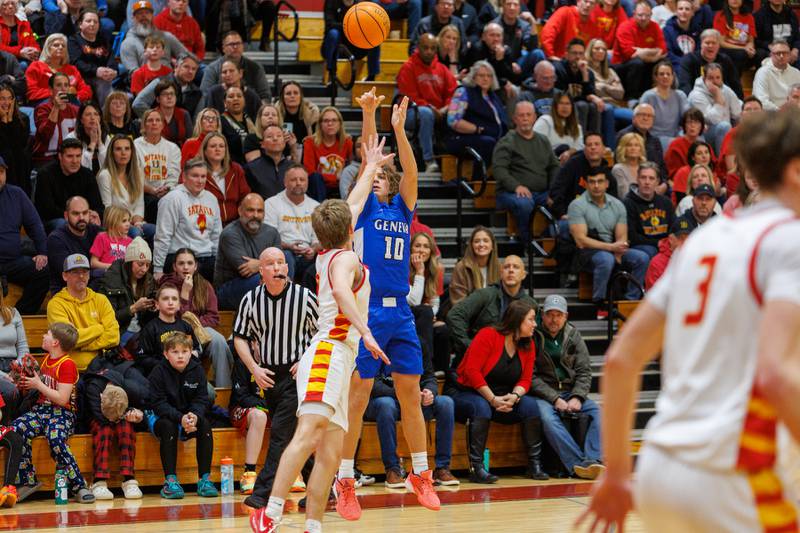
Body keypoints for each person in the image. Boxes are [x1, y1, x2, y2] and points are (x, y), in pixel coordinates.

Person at [578, 107, 800, 533]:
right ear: (793, 170)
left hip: (662, 472)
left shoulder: (705, 240)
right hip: (732, 474)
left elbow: (621, 360)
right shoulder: (787, 240)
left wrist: (618, 474)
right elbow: (774, 373)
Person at [247, 196, 387, 533]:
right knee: (308, 435)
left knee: (331, 452)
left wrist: (369, 167)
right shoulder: (346, 258)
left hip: (341, 358)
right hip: (329, 353)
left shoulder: (332, 248)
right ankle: (272, 512)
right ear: (351, 229)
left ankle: (314, 524)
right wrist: (366, 331)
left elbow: (349, 205)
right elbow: (341, 292)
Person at [334, 92, 441, 522]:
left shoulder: (402, 207)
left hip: (401, 314)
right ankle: (345, 481)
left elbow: (410, 170)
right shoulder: (359, 212)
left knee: (410, 397)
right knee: (357, 399)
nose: (376, 177)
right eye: (374, 175)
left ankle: (421, 474)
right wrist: (368, 114)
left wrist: (399, 129)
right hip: (369, 309)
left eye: (383, 175)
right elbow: (367, 158)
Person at [233, 246, 319, 507]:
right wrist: (254, 369)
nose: (278, 268)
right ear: (261, 271)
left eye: (282, 263)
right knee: (294, 438)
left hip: (297, 375)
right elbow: (239, 337)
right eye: (271, 263)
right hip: (267, 376)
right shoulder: (251, 299)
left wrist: (305, 360)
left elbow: (324, 332)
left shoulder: (304, 297)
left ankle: (262, 494)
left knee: (281, 436)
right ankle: (323, 489)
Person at [451, 299, 547, 482]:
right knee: (481, 407)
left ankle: (534, 464)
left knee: (531, 406)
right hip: (468, 392)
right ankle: (476, 468)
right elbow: (472, 371)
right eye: (531, 319)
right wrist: (493, 399)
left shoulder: (529, 343)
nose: (535, 324)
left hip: (504, 397)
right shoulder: (488, 335)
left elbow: (526, 379)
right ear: (518, 320)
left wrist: (515, 396)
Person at [11, 323, 96, 503]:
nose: (43, 336)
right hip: (42, 410)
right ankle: (27, 480)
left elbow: (62, 399)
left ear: (55, 342)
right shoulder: (47, 358)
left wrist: (38, 384)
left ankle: (79, 485)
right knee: (16, 428)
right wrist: (25, 382)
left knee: (55, 438)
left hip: (62, 413)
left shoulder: (67, 365)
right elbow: (42, 388)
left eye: (46, 334)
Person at [530, 294, 603, 479]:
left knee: (600, 413)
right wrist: (555, 398)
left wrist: (577, 396)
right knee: (547, 418)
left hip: (571, 391)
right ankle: (577, 464)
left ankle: (593, 460)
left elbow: (584, 371)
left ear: (566, 316)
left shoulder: (573, 335)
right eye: (550, 314)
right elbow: (530, 376)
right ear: (543, 315)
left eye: (558, 315)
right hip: (545, 394)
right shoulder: (533, 336)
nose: (554, 319)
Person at [148, 331, 218, 499]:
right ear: (166, 354)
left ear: (190, 352)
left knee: (205, 425)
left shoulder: (198, 370)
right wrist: (180, 418)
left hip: (187, 415)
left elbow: (202, 398)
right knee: (168, 427)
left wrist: (194, 415)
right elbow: (158, 404)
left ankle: (204, 479)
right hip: (162, 417)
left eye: (184, 352)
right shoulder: (158, 372)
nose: (180, 356)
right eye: (175, 352)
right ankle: (170, 481)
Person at [568, 172, 649, 309]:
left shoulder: (617, 204)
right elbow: (580, 240)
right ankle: (599, 302)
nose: (596, 185)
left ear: (607, 184)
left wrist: (619, 250)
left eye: (600, 181)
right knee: (606, 259)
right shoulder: (577, 205)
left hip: (612, 248)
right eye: (592, 182)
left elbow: (622, 236)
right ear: (586, 184)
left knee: (642, 257)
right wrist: (612, 248)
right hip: (587, 252)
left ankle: (630, 301)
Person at [158, 248, 234, 387]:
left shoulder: (204, 285)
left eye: (189, 263)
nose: (186, 267)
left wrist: (196, 325)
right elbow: (174, 318)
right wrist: (185, 292)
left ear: (195, 266)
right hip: (174, 331)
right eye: (181, 263)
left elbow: (213, 316)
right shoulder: (168, 285)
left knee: (219, 341)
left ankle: (224, 390)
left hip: (200, 331)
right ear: (175, 266)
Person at [493, 100, 559, 247]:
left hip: (541, 192)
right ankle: (526, 242)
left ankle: (550, 239)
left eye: (528, 115)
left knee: (561, 200)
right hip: (510, 193)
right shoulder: (507, 142)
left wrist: (553, 191)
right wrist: (516, 187)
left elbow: (554, 166)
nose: (525, 118)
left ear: (534, 117)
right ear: (514, 119)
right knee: (524, 203)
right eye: (521, 115)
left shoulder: (543, 140)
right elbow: (499, 170)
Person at [81, 358, 147, 500]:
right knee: (104, 429)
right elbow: (96, 415)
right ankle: (99, 481)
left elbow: (144, 413)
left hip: (120, 414)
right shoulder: (93, 388)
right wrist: (115, 418)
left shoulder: (131, 388)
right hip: (96, 416)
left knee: (126, 427)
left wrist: (137, 416)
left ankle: (129, 479)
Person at [447, 254, 537, 359]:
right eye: (506, 267)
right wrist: (470, 345)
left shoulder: (530, 304)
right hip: (482, 357)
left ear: (523, 274)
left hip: (514, 360)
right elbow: (454, 315)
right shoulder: (485, 295)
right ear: (501, 272)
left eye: (516, 267)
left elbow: (535, 338)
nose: (511, 270)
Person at [47, 253, 120, 370]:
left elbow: (114, 336)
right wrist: (99, 328)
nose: (81, 276)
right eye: (75, 272)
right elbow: (67, 340)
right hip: (72, 370)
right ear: (65, 276)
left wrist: (85, 346)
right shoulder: (56, 304)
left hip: (103, 365)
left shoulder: (101, 300)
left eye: (85, 271)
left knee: (138, 384)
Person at [397, 32, 458, 173]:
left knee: (458, 111)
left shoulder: (442, 68)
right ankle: (429, 160)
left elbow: (453, 92)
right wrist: (431, 108)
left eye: (432, 48)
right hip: (410, 112)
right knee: (426, 113)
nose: (429, 51)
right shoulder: (408, 67)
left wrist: (446, 108)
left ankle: (453, 163)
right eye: (425, 47)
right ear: (418, 47)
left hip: (438, 111)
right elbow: (409, 96)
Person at [153, 159, 222, 283]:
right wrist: (158, 269)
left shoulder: (211, 199)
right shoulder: (172, 199)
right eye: (195, 176)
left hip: (206, 258)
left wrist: (218, 264)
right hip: (180, 259)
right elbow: (163, 236)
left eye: (203, 176)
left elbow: (216, 235)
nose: (200, 181)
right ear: (184, 177)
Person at [0, 157, 48, 315]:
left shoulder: (16, 194)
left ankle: (19, 316)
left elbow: (35, 225)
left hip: (12, 261)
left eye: (1, 172)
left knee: (43, 271)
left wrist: (42, 252)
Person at [263, 164, 321, 288]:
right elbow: (269, 238)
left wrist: (313, 249)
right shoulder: (271, 204)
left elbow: (319, 239)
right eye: (293, 180)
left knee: (322, 259)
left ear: (307, 182)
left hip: (308, 255)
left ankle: (307, 300)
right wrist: (289, 246)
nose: (298, 183)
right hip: (283, 252)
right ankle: (286, 294)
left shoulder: (315, 206)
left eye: (302, 179)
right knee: (286, 256)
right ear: (285, 182)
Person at [445, 60, 508, 164]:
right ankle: (478, 179)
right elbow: (453, 121)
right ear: (473, 77)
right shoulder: (464, 92)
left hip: (493, 139)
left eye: (489, 76)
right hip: (464, 138)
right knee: (489, 143)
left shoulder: (493, 97)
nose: (485, 78)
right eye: (481, 75)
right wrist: (477, 129)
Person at [98, 237, 157, 347]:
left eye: (147, 265)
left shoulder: (148, 280)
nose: (144, 269)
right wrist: (133, 308)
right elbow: (107, 319)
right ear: (129, 263)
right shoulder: (112, 280)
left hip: (142, 330)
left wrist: (153, 309)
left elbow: (147, 319)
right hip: (120, 332)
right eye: (140, 264)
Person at [35, 138, 103, 233]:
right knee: (63, 224)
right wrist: (75, 216)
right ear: (60, 156)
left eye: (78, 156)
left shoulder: (88, 174)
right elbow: (46, 209)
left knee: (99, 223)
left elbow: (98, 206)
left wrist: (93, 214)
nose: (75, 161)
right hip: (55, 220)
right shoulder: (45, 174)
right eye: (70, 156)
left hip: (83, 218)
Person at [135, 283, 201, 377]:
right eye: (165, 298)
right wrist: (166, 364)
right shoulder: (150, 328)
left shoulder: (186, 327)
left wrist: (190, 356)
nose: (170, 302)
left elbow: (197, 350)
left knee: (210, 391)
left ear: (179, 305)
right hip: (161, 376)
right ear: (157, 304)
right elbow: (142, 358)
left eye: (174, 299)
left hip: (186, 375)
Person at [549, 132, 615, 220]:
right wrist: (562, 214)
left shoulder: (608, 173)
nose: (593, 147)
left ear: (604, 149)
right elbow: (556, 192)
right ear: (584, 149)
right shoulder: (572, 165)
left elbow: (613, 201)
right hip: (570, 216)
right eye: (589, 145)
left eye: (597, 144)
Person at [97, 135, 152, 239]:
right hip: (115, 224)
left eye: (127, 148)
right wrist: (127, 222)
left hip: (134, 222)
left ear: (132, 152)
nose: (123, 153)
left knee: (156, 231)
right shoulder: (105, 175)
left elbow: (140, 204)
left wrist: (137, 222)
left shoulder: (138, 173)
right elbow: (107, 209)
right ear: (111, 153)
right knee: (136, 233)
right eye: (118, 149)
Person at [611, 1, 667, 99]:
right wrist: (653, 53)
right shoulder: (625, 27)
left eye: (647, 15)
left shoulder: (655, 26)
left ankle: (660, 94)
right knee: (637, 63)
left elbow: (663, 50)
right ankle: (632, 98)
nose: (643, 18)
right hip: (622, 66)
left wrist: (642, 51)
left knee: (663, 63)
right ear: (634, 14)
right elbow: (629, 53)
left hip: (643, 63)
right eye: (640, 15)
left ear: (651, 15)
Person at [46, 196, 102, 293]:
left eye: (85, 213)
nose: (81, 218)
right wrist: (103, 271)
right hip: (66, 294)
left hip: (94, 288)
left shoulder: (96, 231)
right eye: (76, 213)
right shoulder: (56, 239)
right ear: (66, 216)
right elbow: (72, 275)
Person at [555, 38, 607, 141]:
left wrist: (584, 75)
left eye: (581, 54)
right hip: (562, 104)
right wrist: (588, 96)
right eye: (574, 53)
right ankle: (579, 141)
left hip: (579, 103)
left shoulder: (587, 72)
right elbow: (562, 95)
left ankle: (595, 141)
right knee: (582, 105)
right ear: (567, 54)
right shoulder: (559, 69)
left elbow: (590, 93)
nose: (578, 57)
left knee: (594, 106)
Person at [135, 109, 181, 223]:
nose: (154, 123)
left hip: (167, 192)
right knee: (155, 203)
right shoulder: (135, 145)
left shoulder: (173, 148)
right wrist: (152, 191)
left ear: (162, 125)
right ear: (144, 125)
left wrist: (167, 188)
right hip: (142, 193)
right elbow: (134, 176)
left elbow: (173, 175)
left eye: (157, 120)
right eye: (150, 120)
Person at [585, 38, 632, 148]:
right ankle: (610, 150)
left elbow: (620, 93)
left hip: (616, 105)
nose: (601, 51)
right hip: (599, 105)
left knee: (636, 117)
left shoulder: (610, 71)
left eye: (603, 49)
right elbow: (594, 90)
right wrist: (611, 87)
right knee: (608, 110)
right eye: (597, 48)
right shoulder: (585, 70)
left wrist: (604, 86)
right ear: (590, 50)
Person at [120, 0, 189, 74]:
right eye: (140, 13)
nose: (144, 16)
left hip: (172, 80)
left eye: (147, 13)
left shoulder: (166, 36)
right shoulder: (128, 43)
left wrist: (180, 65)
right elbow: (134, 74)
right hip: (146, 82)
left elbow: (186, 55)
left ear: (153, 16)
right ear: (134, 18)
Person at [688, 62, 742, 154]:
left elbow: (737, 113)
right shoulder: (696, 95)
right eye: (711, 78)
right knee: (724, 126)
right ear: (704, 79)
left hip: (726, 132)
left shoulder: (726, 90)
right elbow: (713, 120)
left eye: (718, 77)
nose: (715, 81)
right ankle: (721, 162)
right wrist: (718, 99)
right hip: (704, 135)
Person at [623, 162, 675, 259]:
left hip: (664, 244)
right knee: (653, 251)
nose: (647, 182)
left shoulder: (666, 202)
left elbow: (674, 228)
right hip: (640, 246)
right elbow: (632, 236)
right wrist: (658, 243)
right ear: (637, 179)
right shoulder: (628, 203)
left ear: (657, 182)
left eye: (651, 178)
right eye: (643, 177)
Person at [200, 30, 270, 100]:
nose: (235, 47)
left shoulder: (256, 67)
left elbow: (265, 96)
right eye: (231, 44)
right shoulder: (212, 69)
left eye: (238, 43)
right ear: (223, 48)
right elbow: (205, 95)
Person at [198, 132, 250, 224]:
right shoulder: (197, 170)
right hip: (206, 223)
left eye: (221, 146)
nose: (218, 149)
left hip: (235, 224)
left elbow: (245, 197)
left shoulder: (235, 169)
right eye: (213, 146)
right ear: (205, 150)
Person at [67, 9, 116, 106]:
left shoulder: (103, 39)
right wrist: (96, 71)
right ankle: (106, 114)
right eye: (88, 21)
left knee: (122, 70)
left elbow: (111, 57)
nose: (92, 24)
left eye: (95, 22)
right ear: (80, 24)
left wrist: (113, 70)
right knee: (103, 82)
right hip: (84, 76)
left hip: (103, 75)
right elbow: (76, 63)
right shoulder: (74, 40)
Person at [25, 33, 91, 104]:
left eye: (63, 46)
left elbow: (86, 90)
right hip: (46, 103)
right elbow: (31, 92)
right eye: (56, 45)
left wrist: (75, 96)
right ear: (48, 48)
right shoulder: (36, 66)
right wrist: (57, 93)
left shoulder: (72, 69)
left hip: (72, 103)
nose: (60, 47)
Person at [302, 106, 352, 199]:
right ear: (320, 124)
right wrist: (335, 178)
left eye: (334, 120)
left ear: (340, 124)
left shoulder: (347, 142)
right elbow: (310, 172)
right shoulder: (310, 142)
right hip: (318, 186)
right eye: (326, 121)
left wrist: (341, 178)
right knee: (316, 177)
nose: (330, 123)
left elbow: (353, 166)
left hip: (341, 185)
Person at [133, 53, 202, 119]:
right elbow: (138, 104)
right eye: (186, 67)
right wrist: (156, 120)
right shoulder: (159, 82)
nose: (190, 71)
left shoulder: (197, 92)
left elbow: (196, 118)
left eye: (194, 69)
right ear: (176, 67)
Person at [678, 28, 744, 98]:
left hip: (721, 98)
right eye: (707, 43)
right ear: (701, 44)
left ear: (719, 45)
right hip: (697, 99)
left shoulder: (725, 60)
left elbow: (735, 85)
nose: (710, 46)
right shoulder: (689, 59)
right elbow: (685, 85)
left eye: (714, 43)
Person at [31, 72, 79, 166]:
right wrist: (56, 107)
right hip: (46, 160)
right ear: (50, 90)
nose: (63, 88)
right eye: (58, 85)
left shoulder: (76, 110)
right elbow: (45, 135)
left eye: (66, 85)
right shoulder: (42, 109)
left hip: (69, 160)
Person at [640, 60, 690, 149]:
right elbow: (641, 121)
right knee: (674, 143)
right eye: (662, 74)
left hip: (676, 135)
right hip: (654, 137)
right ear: (656, 77)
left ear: (673, 76)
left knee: (698, 139)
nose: (665, 76)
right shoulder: (648, 96)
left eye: (668, 74)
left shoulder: (680, 95)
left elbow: (688, 117)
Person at [615, 103, 668, 184]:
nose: (645, 118)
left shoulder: (655, 140)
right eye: (642, 115)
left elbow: (662, 167)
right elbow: (619, 160)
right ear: (633, 118)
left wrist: (664, 184)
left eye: (649, 116)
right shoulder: (624, 136)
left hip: (656, 183)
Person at [449, 226, 500, 305]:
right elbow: (459, 303)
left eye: (486, 241)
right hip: (469, 315)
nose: (481, 244)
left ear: (492, 246)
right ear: (471, 246)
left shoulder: (500, 268)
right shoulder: (461, 268)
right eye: (477, 241)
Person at [245, 124, 293, 201]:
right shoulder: (251, 168)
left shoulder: (293, 167)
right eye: (269, 136)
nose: (275, 139)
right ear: (262, 144)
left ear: (284, 142)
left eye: (279, 136)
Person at [534, 92, 584, 164]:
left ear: (572, 107)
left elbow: (579, 147)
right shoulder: (545, 121)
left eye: (567, 104)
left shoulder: (577, 127)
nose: (565, 107)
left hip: (568, 163)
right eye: (561, 103)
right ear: (555, 106)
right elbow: (536, 147)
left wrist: (568, 153)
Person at [752, 38, 800, 110]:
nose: (781, 56)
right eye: (778, 53)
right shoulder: (762, 72)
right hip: (771, 115)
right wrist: (780, 111)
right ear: (771, 55)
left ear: (789, 55)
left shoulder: (796, 73)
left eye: (784, 53)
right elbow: (761, 101)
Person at [0, 84, 31, 195]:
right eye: (2, 99)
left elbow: (19, 145)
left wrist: (10, 120)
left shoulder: (23, 119)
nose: (6, 102)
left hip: (19, 165)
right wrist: (4, 121)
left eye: (9, 98)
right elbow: (3, 146)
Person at [644, 216, 690, 288]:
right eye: (681, 239)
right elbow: (653, 295)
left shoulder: (696, 260)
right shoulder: (657, 263)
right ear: (671, 239)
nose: (685, 243)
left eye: (688, 239)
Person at [65, 102, 110, 175]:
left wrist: (100, 143)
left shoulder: (106, 138)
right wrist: (92, 144)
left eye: (96, 114)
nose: (92, 118)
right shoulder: (72, 138)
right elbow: (77, 166)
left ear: (100, 119)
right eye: (88, 114)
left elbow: (109, 167)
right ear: (81, 120)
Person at [713, 0, 757, 74]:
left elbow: (751, 40)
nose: (735, 0)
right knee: (740, 54)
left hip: (744, 51)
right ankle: (734, 82)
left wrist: (750, 48)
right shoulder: (720, 15)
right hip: (727, 49)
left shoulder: (749, 17)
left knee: (759, 54)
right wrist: (743, 48)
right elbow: (721, 42)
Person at [664, 108, 709, 179]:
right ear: (684, 126)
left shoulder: (704, 145)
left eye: (696, 122)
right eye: (689, 122)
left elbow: (714, 166)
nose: (692, 125)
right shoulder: (676, 145)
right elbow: (674, 173)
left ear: (702, 126)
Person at [754, 0, 800, 66]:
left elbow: (797, 37)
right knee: (760, 54)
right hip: (769, 49)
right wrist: (770, 47)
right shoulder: (759, 15)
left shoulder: (791, 14)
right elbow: (756, 40)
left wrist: (795, 49)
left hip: (789, 49)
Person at [220, 85, 257, 166]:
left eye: (239, 96)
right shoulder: (220, 122)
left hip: (254, 165)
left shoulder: (252, 121)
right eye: (231, 96)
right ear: (225, 103)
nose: (235, 98)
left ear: (244, 101)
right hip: (231, 166)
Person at [276, 80, 319, 148]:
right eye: (288, 93)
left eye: (296, 93)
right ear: (282, 98)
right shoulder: (275, 116)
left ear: (301, 96)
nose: (292, 96)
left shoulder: (312, 115)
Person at [90, 206, 133, 270]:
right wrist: (112, 267)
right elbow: (93, 263)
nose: (128, 224)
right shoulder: (101, 237)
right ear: (113, 222)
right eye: (124, 221)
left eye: (128, 220)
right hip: (105, 275)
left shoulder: (130, 241)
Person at [663, 0, 700, 68]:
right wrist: (683, 62)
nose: (684, 12)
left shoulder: (697, 30)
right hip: (675, 65)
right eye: (680, 9)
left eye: (687, 9)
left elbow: (699, 52)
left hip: (693, 64)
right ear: (676, 12)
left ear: (692, 13)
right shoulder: (667, 30)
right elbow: (668, 53)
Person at [612, 132, 647, 199]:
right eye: (629, 145)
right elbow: (624, 195)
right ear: (623, 149)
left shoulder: (646, 168)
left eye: (636, 145)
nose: (633, 148)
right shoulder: (618, 169)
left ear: (641, 148)